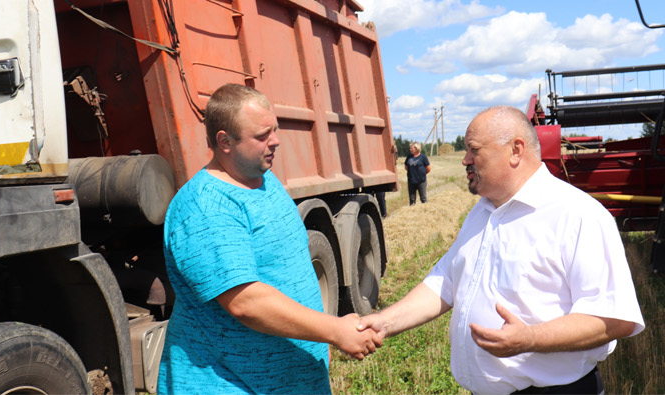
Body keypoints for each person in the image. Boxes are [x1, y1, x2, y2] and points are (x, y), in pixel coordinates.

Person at [359, 106, 645, 394]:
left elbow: (614, 318)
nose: (464, 160)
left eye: (474, 150)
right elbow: (443, 283)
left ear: (515, 150)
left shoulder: (578, 215)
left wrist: (530, 338)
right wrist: (383, 322)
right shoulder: (482, 213)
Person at [158, 84, 381, 394]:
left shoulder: (262, 180)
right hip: (232, 383)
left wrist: (316, 339)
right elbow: (246, 302)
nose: (276, 141)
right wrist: (333, 331)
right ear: (225, 141)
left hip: (290, 379)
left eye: (274, 130)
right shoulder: (205, 208)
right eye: (262, 135)